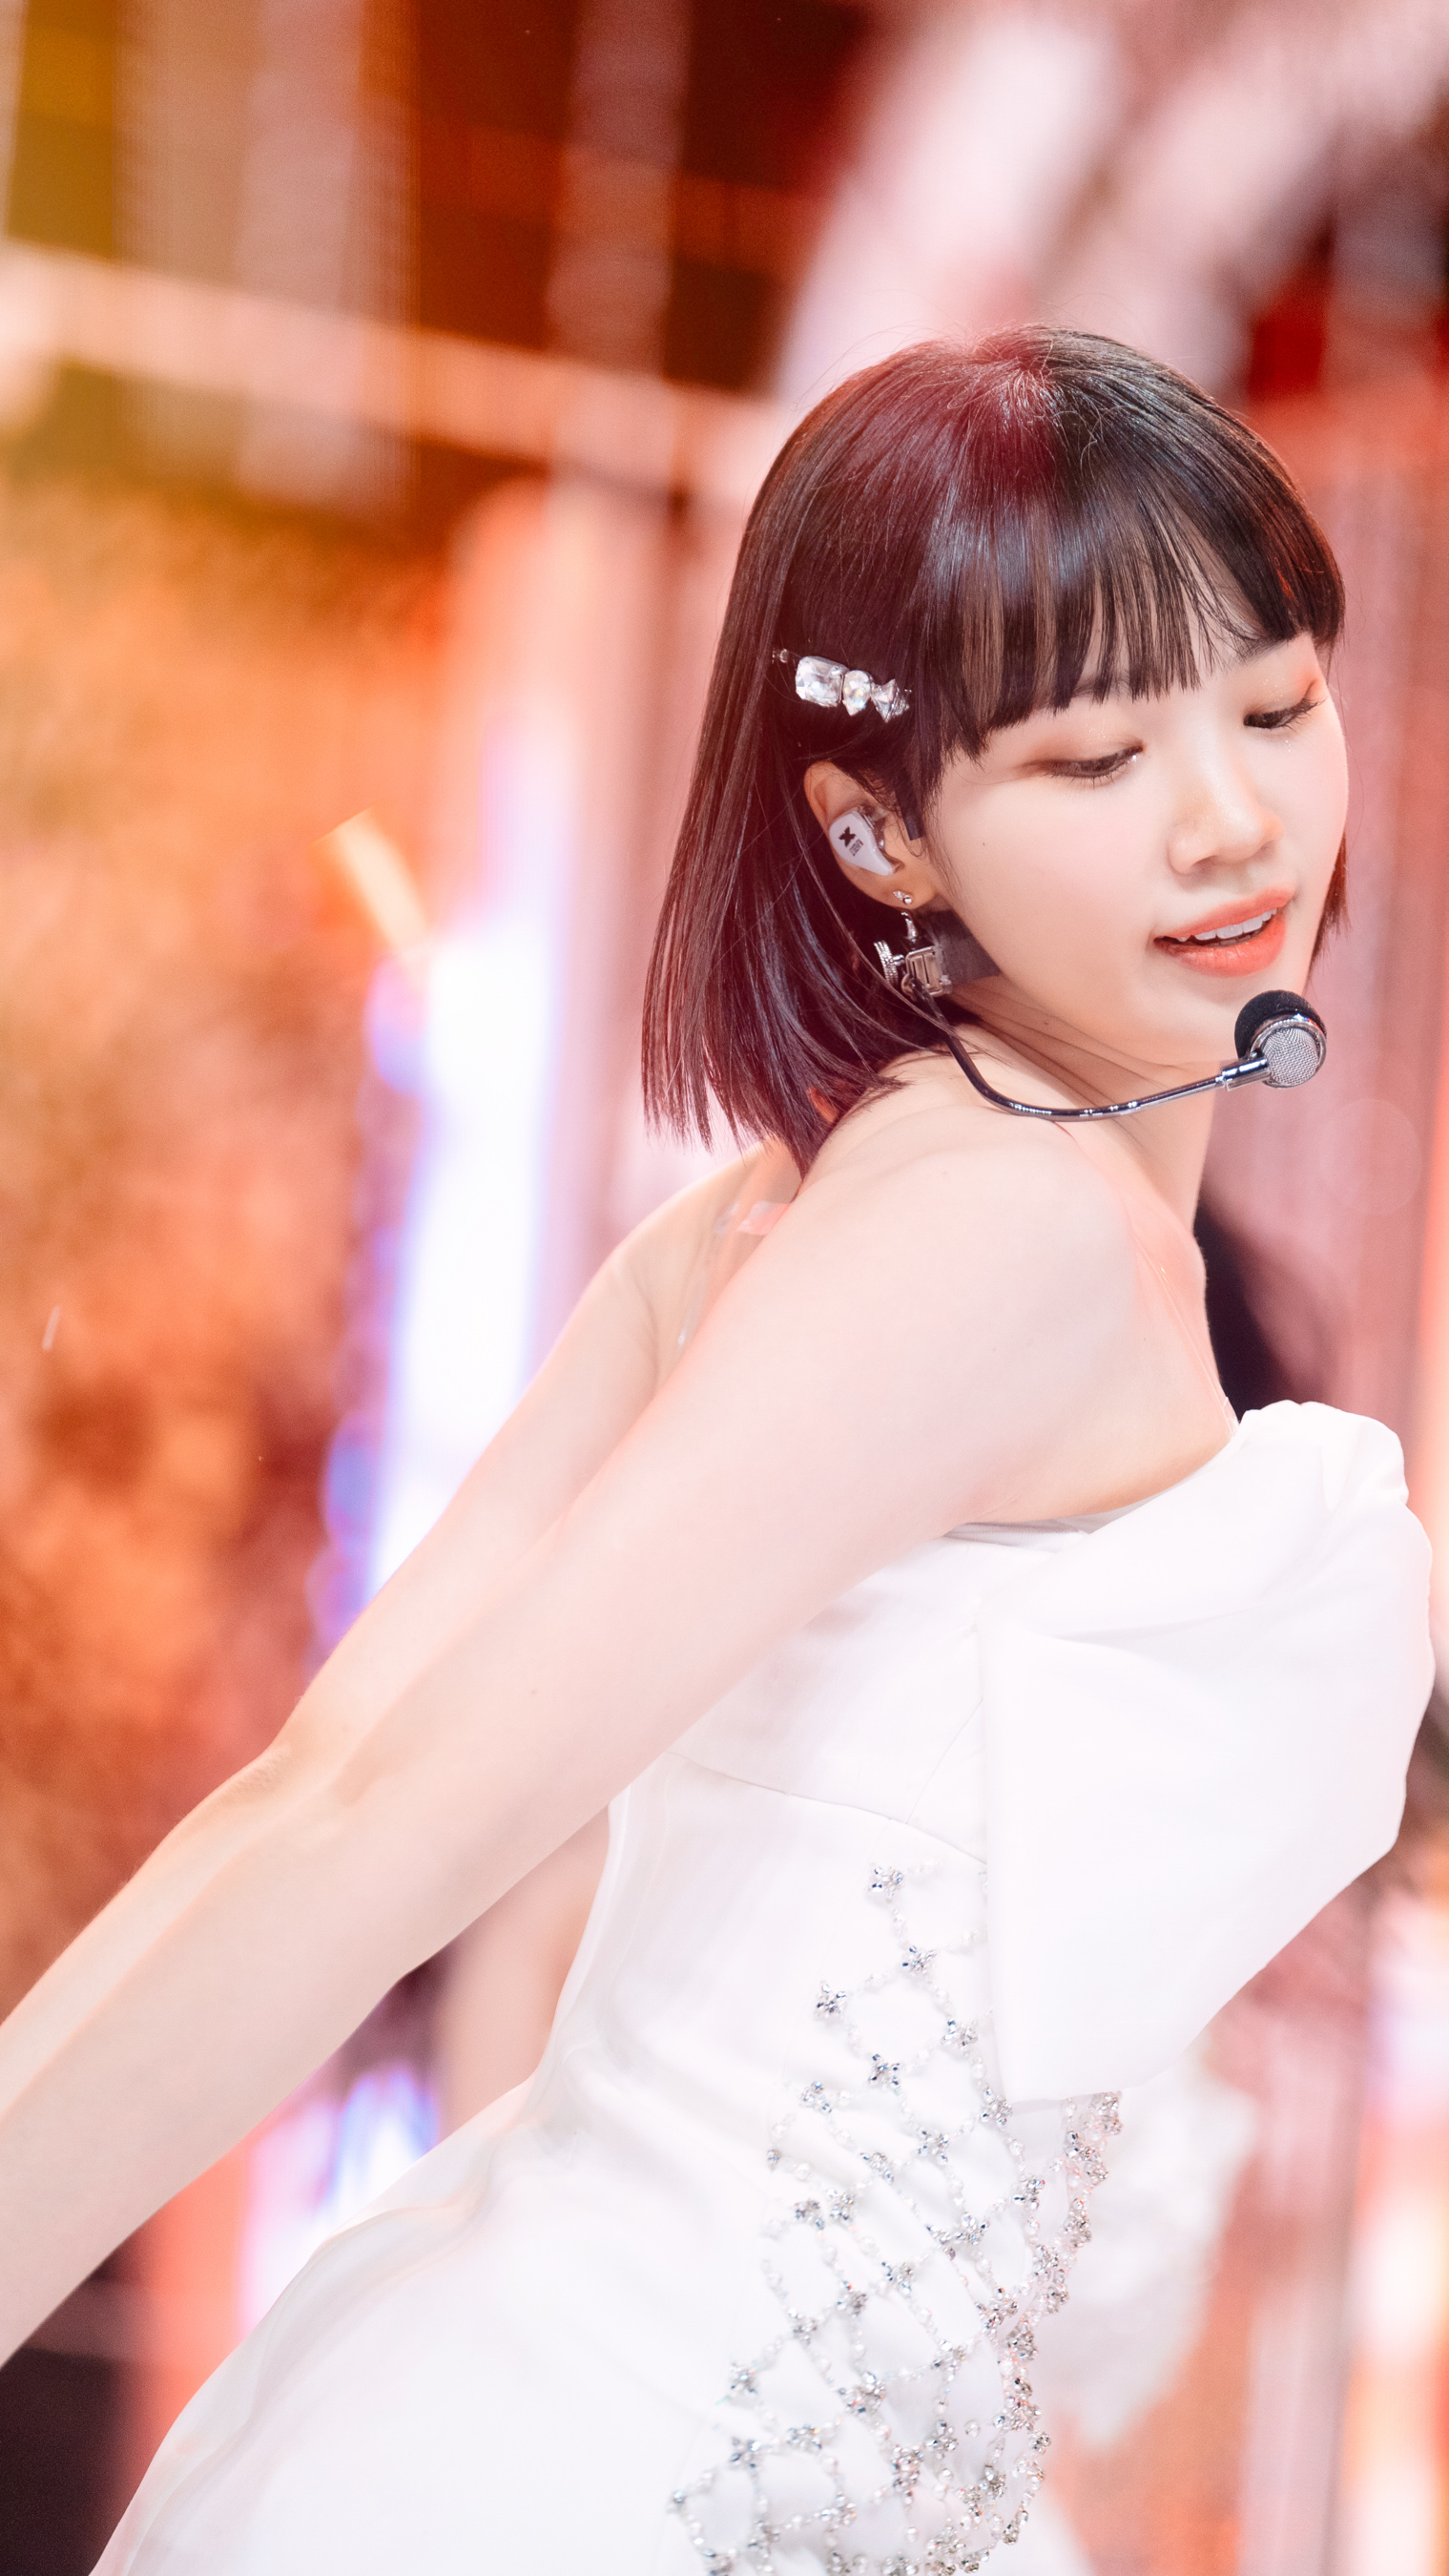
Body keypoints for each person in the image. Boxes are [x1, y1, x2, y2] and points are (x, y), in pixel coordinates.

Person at [0, 331, 1432, 2576]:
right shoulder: (1008, 1228)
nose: (1230, 819)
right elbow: (364, 1815)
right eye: (1096, 755)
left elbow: (336, 1780)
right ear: (877, 830)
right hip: (641, 2490)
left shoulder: (800, 1206)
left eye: (1272, 705)